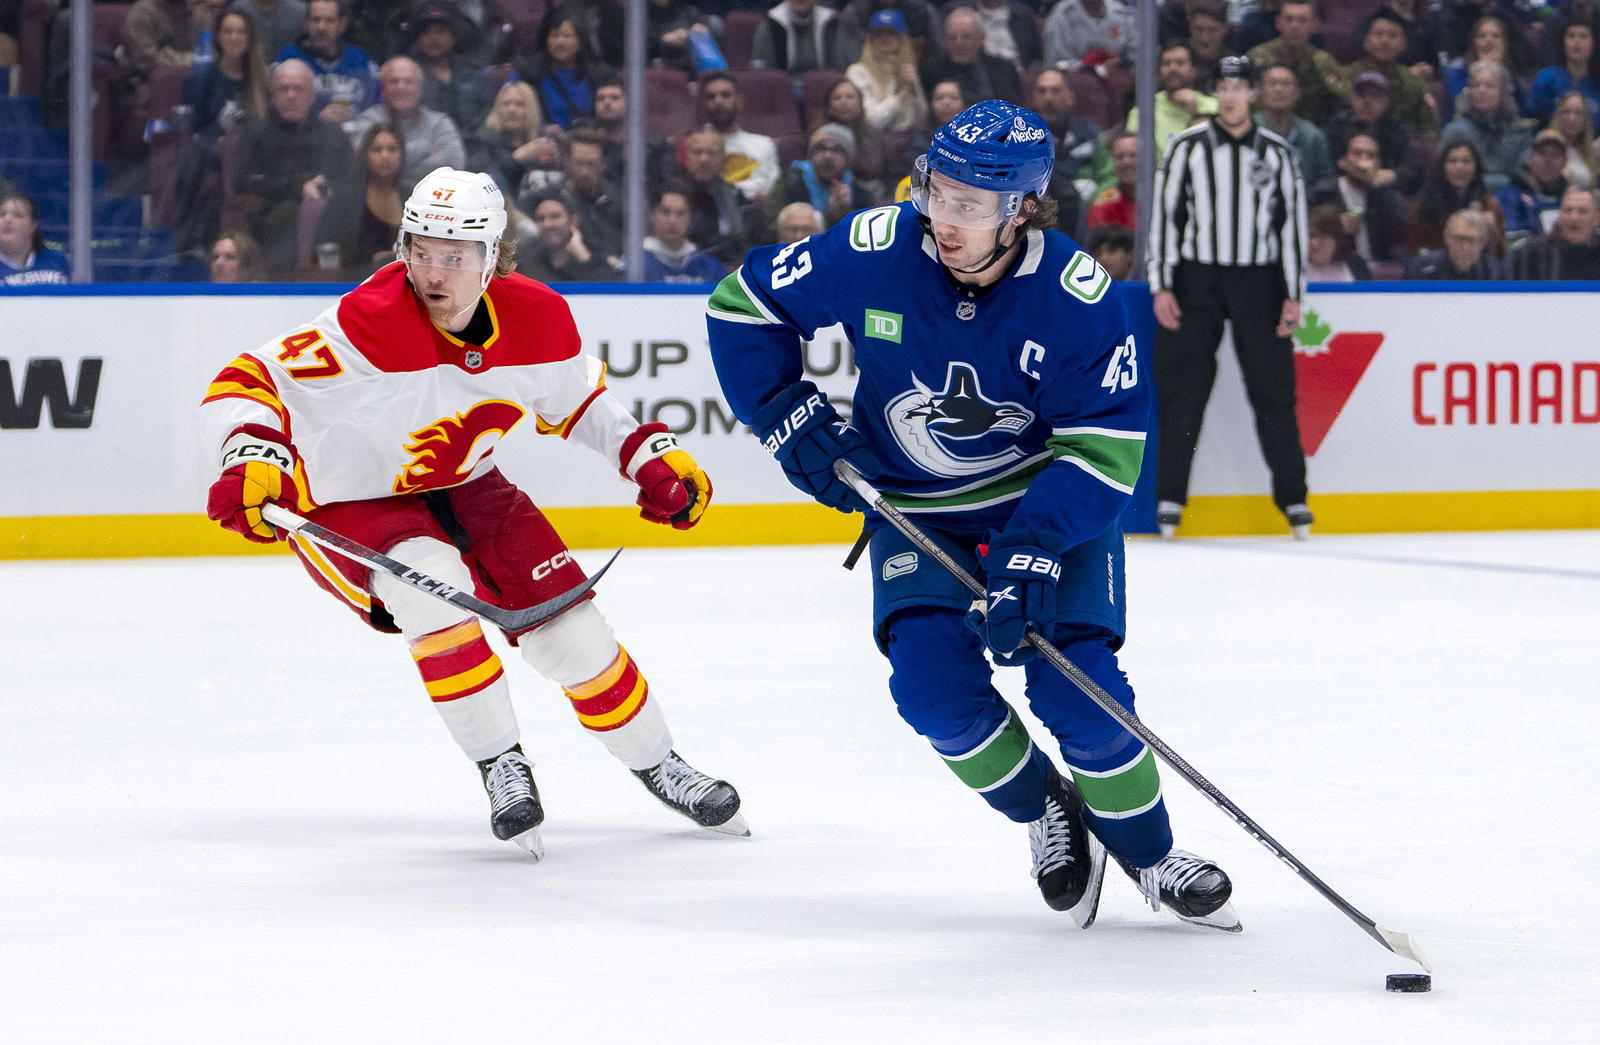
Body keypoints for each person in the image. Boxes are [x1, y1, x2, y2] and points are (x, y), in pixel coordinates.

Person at [705, 98, 1240, 932]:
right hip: (916, 510)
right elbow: (743, 305)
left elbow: (1105, 451)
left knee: (1080, 694)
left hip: (1049, 511)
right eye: (934, 190)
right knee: (932, 691)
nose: (942, 218)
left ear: (1022, 208)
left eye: (969, 204)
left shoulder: (1077, 296)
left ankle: (1150, 852)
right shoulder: (876, 249)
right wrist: (784, 412)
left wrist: (1028, 551)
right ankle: (1044, 810)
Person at [200, 167, 742, 857]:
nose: (432, 269)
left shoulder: (538, 317)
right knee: (435, 598)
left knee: (572, 632)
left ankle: (660, 761)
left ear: (491, 258)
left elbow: (578, 400)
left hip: (468, 483)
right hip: (347, 497)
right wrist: (251, 452)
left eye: (453, 255)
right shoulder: (369, 321)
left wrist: (647, 454)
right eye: (419, 248)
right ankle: (501, 762)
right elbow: (246, 378)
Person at [1147, 56, 1313, 540]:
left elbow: (1291, 228)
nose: (1232, 94)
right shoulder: (1186, 148)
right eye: (1224, 85)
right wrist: (1162, 284)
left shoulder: (1278, 153)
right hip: (1197, 279)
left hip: (1258, 282)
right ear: (1215, 92)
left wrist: (1293, 294)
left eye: (1241, 86)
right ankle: (1171, 497)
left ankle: (1294, 497)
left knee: (1273, 390)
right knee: (1184, 390)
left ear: (1253, 94)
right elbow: (1167, 217)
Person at [234, 59, 353, 276]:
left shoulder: (333, 135)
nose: (291, 95)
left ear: (312, 96)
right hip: (272, 223)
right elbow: (242, 182)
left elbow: (351, 181)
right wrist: (298, 186)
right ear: (273, 96)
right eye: (283, 89)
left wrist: (324, 188)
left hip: (328, 222)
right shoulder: (256, 133)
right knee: (286, 214)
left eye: (298, 89)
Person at [347, 56, 466, 196]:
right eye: (394, 81)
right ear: (383, 89)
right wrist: (425, 148)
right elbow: (363, 163)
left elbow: (454, 163)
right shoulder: (367, 121)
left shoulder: (440, 123)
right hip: (376, 200)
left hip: (430, 201)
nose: (401, 87)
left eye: (408, 82)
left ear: (420, 88)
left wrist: (393, 174)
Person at [311, 122, 405, 279]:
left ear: (402, 154)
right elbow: (322, 250)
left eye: (392, 149)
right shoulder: (345, 199)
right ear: (365, 154)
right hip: (352, 285)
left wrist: (392, 257)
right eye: (377, 149)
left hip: (404, 287)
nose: (385, 155)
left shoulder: (414, 197)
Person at [1031, 66, 1112, 237]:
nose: (1048, 98)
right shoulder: (1020, 138)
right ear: (1034, 98)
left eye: (1056, 91)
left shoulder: (1090, 134)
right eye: (1042, 91)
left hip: (1084, 212)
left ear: (1069, 97)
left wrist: (1091, 198)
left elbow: (1108, 178)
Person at [762, 122, 873, 238]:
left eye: (837, 150)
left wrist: (844, 213)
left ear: (848, 159)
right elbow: (771, 231)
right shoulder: (790, 182)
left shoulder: (860, 194)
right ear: (811, 155)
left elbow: (863, 240)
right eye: (821, 149)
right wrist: (827, 217)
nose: (827, 156)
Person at [1246, 0, 1348, 125]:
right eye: (1289, 19)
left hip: (1310, 133)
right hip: (1263, 129)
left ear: (1314, 26)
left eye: (1302, 20)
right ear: (1278, 23)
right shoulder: (1257, 58)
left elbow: (1345, 100)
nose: (1295, 26)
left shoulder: (1322, 62)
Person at [276, 0, 379, 124]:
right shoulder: (289, 57)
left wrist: (355, 115)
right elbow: (276, 108)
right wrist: (317, 120)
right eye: (316, 20)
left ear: (341, 25)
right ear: (306, 23)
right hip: (303, 137)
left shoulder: (360, 58)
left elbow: (377, 103)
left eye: (329, 20)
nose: (321, 27)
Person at [1441, 59, 1535, 191]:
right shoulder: (1455, 131)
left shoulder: (1518, 130)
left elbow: (1527, 174)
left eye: (1489, 85)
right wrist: (1504, 181)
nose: (1481, 91)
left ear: (1503, 92)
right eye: (1476, 85)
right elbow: (1443, 175)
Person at [1343, 8, 1439, 137]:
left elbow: (1427, 131)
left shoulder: (1412, 83)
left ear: (1404, 44)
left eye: (1392, 35)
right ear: (1366, 42)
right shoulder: (1349, 77)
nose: (1384, 41)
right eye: (1378, 34)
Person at [1323, 69, 1418, 197]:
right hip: (1342, 190)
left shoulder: (1397, 128)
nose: (1367, 101)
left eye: (1375, 95)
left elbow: (1411, 171)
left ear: (1385, 102)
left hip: (1382, 190)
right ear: (1352, 99)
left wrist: (1394, 174)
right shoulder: (1337, 125)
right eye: (1361, 95)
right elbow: (1327, 166)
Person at [1254, 60, 1336, 205]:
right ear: (1260, 91)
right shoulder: (1247, 130)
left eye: (1286, 84)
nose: (1279, 89)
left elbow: (1325, 181)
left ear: (1297, 92)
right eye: (1272, 83)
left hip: (1303, 209)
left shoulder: (1313, 136)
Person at [465, 79, 562, 200]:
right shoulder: (481, 139)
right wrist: (516, 158)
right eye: (506, 104)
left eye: (519, 104)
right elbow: (482, 179)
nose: (511, 109)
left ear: (531, 109)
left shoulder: (541, 141)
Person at [516, 10, 611, 129]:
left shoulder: (600, 75)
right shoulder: (527, 72)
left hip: (589, 142)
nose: (560, 42)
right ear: (546, 41)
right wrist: (542, 130)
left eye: (567, 36)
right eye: (554, 35)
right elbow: (508, 106)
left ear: (580, 42)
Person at [406, 6, 495, 132]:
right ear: (419, 39)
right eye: (426, 32)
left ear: (453, 37)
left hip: (475, 146)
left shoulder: (474, 73)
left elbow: (489, 118)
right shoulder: (407, 77)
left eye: (441, 31)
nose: (434, 38)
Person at [1125, 42, 1219, 160]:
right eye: (1166, 63)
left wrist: (1195, 112)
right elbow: (1133, 157)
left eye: (1180, 63)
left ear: (1194, 70)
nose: (1173, 68)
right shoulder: (1143, 111)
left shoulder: (1215, 107)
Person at [699, 71, 782, 202]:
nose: (718, 101)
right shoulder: (694, 146)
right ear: (703, 104)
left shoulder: (764, 144)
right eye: (711, 97)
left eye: (725, 95)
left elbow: (774, 191)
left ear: (739, 100)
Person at [1411, 138, 1507, 252]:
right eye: (1452, 161)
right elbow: (1417, 248)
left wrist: (1492, 228)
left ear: (1476, 167)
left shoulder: (1488, 204)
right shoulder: (1426, 203)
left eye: (1466, 161)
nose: (1459, 167)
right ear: (1443, 167)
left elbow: (1501, 254)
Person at [846, 9, 928, 138]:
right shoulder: (857, 72)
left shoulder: (907, 70)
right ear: (871, 39)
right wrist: (902, 95)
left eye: (891, 33)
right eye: (879, 34)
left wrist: (914, 88)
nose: (884, 38)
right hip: (870, 140)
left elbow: (921, 122)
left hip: (906, 141)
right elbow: (872, 121)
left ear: (902, 39)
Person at [678, 128, 754, 267]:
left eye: (711, 153)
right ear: (687, 157)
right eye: (697, 152)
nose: (704, 159)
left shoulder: (737, 200)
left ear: (724, 161)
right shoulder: (673, 197)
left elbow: (743, 247)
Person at [920, 7, 1023, 106]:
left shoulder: (1004, 69)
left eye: (966, 37)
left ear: (981, 39)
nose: (959, 43)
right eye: (952, 38)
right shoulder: (931, 71)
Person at [1439, 13, 1528, 123]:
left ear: (1504, 44)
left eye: (1496, 36)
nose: (1489, 40)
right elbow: (1462, 106)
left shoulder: (1508, 74)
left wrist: (1497, 71)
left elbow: (1520, 112)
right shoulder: (1456, 71)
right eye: (1482, 36)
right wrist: (1485, 69)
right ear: (1473, 42)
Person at [1334, 131, 1407, 262]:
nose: (1364, 160)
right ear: (1343, 161)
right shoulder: (1326, 193)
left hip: (1378, 270)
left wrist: (1379, 191)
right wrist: (1335, 225)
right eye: (1357, 154)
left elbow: (1397, 236)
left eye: (1370, 155)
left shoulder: (1387, 195)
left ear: (1378, 164)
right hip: (1338, 268)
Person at [516, 191, 621, 282]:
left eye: (555, 216)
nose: (547, 224)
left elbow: (608, 295)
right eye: (541, 219)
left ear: (573, 221)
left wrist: (582, 255)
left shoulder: (594, 259)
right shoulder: (523, 262)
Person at [1496, 128, 1572, 245]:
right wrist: (1548, 239)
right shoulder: (1510, 196)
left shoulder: (1573, 199)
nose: (1548, 160)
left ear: (1565, 161)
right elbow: (1512, 242)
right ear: (1530, 158)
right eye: (1542, 153)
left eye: (1555, 154)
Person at [1509, 183, 1600, 276]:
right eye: (1568, 210)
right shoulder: (1529, 255)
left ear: (1596, 219)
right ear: (1559, 215)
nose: (1573, 217)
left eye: (1582, 211)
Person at [642, 186, 728, 282]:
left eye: (681, 213)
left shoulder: (711, 268)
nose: (672, 221)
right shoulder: (635, 265)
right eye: (665, 212)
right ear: (652, 215)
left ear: (691, 217)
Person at [752, 0, 849, 82]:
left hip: (823, 85)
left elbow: (838, 65)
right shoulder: (771, 23)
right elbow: (762, 67)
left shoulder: (830, 22)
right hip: (783, 86)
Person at [1529, 17, 1600, 125]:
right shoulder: (1546, 78)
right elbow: (1533, 118)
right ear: (1563, 42)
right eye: (1571, 36)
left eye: (1583, 36)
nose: (1576, 42)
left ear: (1594, 44)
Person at [1402, 207, 1507, 278]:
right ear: (1447, 237)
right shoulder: (1420, 268)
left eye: (1472, 240)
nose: (1465, 247)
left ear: (1483, 242)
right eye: (1459, 238)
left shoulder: (1495, 271)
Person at [0, 190, 70, 286]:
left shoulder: (59, 260)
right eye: (1, 214)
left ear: (33, 225)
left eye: (17, 215)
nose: (7, 219)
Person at [1042, 0, 1136, 69]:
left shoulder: (1121, 12)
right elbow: (1056, 63)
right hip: (1075, 82)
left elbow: (1136, 56)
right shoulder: (1062, 14)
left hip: (1118, 79)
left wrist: (1121, 62)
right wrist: (1092, 66)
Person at [1304, 202, 1372, 281]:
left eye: (1323, 237)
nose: (1315, 243)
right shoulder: (1293, 269)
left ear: (1338, 240)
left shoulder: (1357, 266)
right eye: (1311, 236)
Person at [1086, 131, 1137, 230]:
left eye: (1133, 155)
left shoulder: (1161, 200)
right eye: (1119, 157)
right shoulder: (1103, 206)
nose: (1126, 162)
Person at [1549, 90, 1599, 187]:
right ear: (1558, 115)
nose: (1571, 118)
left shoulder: (1588, 153)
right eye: (1566, 112)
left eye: (1578, 113)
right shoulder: (1547, 147)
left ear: (1585, 120)